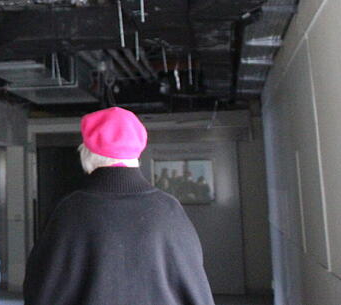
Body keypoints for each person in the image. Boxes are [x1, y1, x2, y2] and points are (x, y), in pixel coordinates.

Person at [23, 107, 214, 305]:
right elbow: (196, 290)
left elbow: (40, 290)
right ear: (137, 155)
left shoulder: (70, 211)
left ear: (86, 153)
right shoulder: (169, 209)